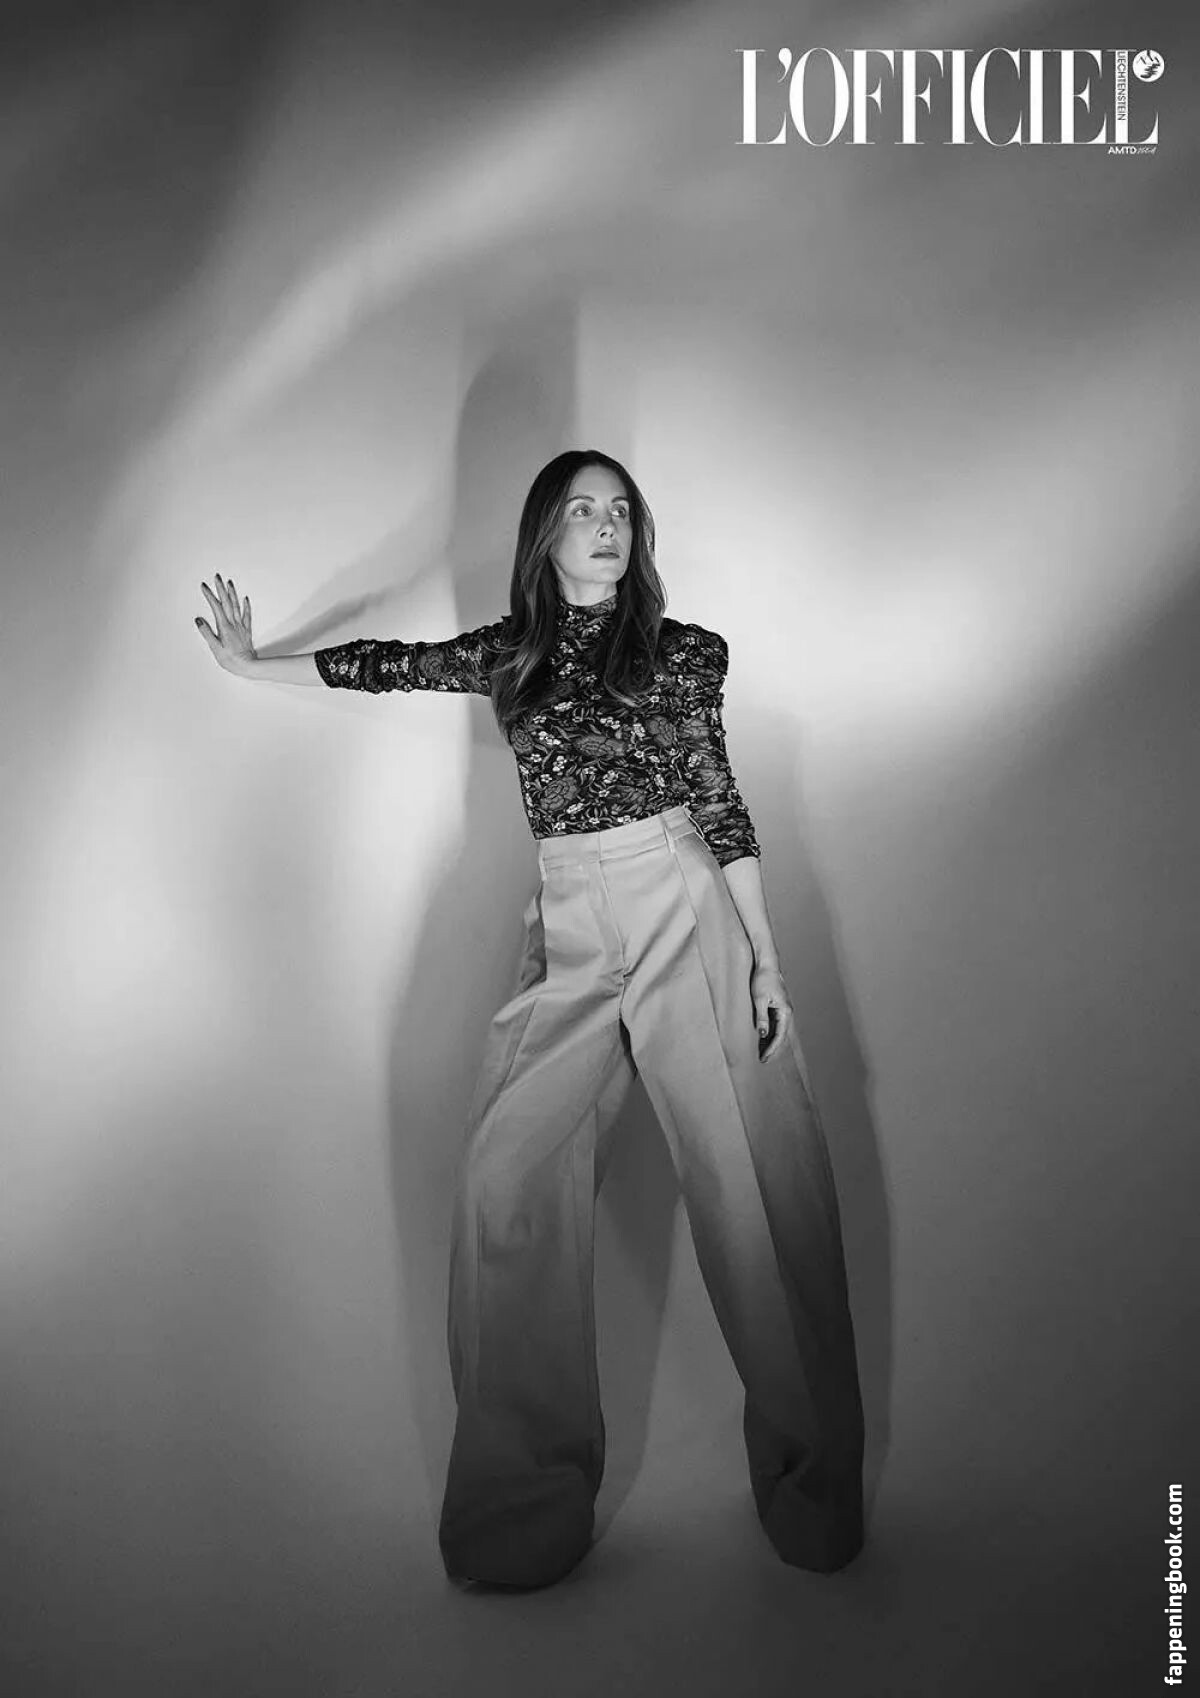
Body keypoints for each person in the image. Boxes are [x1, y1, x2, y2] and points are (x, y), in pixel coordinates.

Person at [195, 448, 866, 1591]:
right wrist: (253, 664)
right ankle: (524, 1506)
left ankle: (815, 1489)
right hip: (568, 922)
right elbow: (388, 666)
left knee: (753, 1192)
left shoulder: (685, 653)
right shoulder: (511, 656)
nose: (605, 526)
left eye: (621, 511)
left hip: (682, 904)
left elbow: (719, 798)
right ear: (544, 534)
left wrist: (763, 954)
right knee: (505, 1184)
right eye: (581, 509)